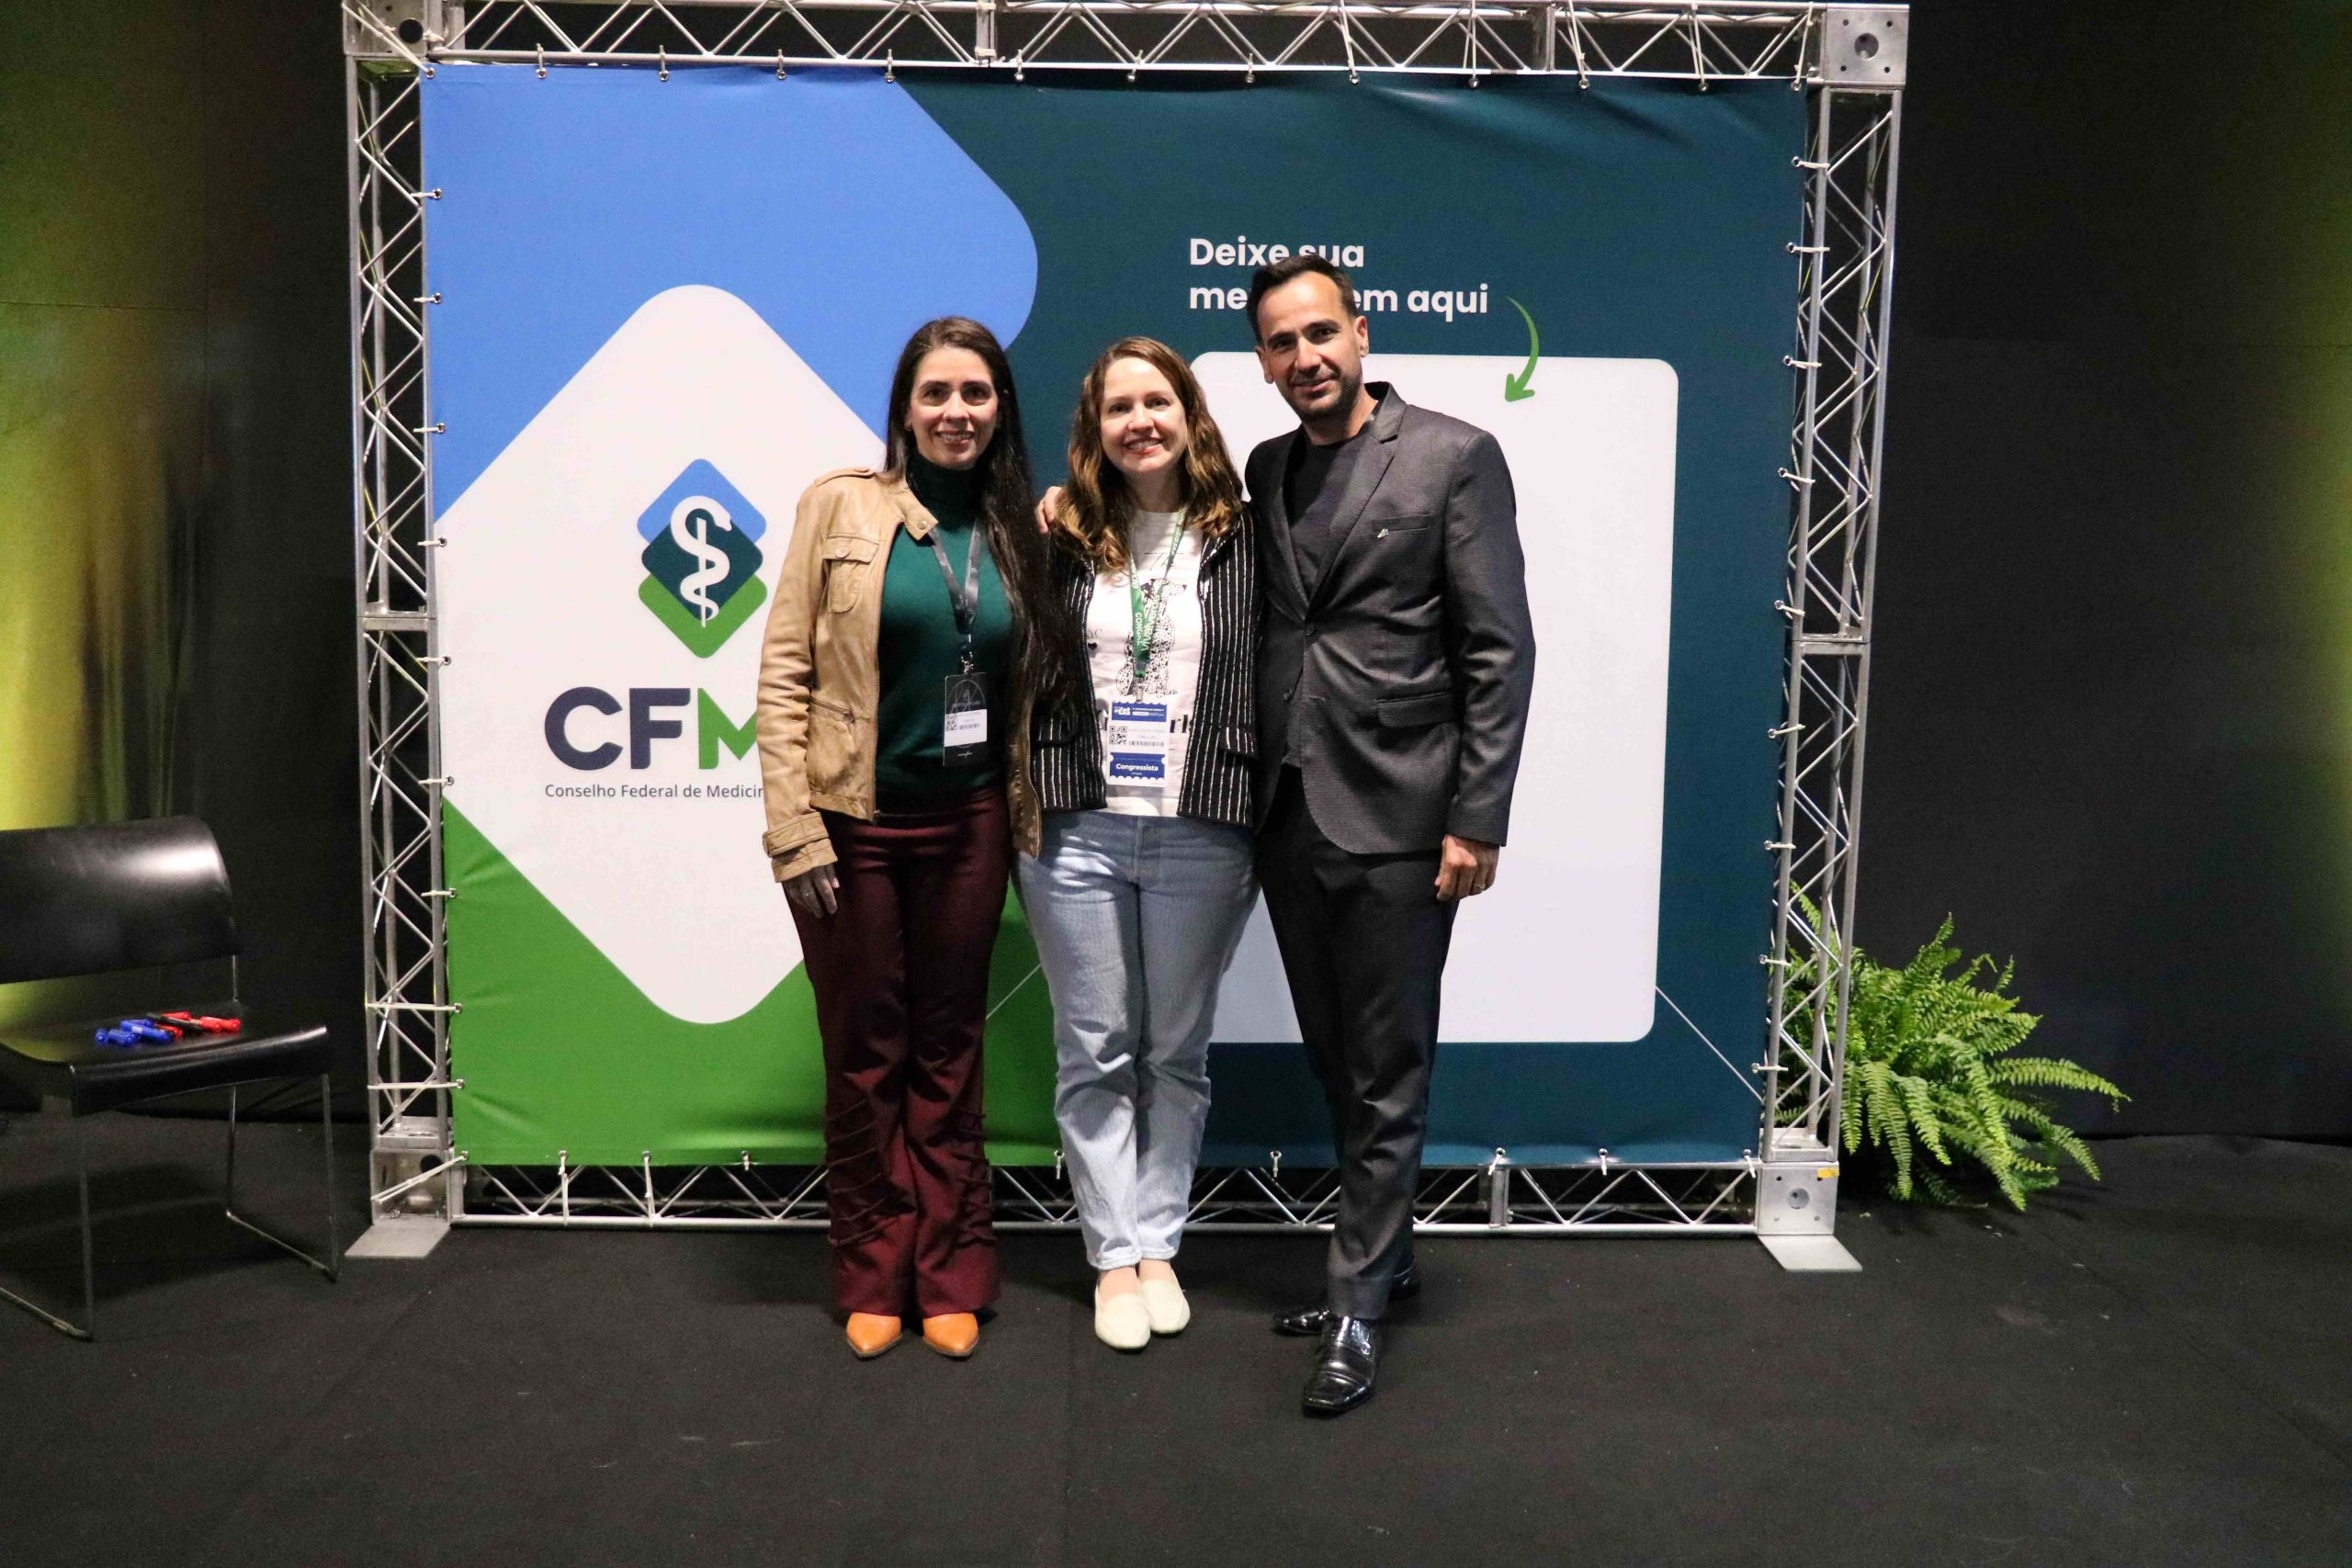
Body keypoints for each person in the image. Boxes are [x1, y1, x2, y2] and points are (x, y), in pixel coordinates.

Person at [1244, 254, 1536, 1416]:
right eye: (1281, 343)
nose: (1305, 357)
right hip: (1285, 813)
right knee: (1337, 1061)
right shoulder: (1267, 468)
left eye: (1321, 333)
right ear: (1263, 361)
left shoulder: (1453, 454)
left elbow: (1496, 650)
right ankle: (1382, 1254)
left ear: (1360, 335)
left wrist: (1477, 815)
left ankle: (1358, 1307)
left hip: (1405, 815)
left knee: (1388, 1069)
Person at [755, 316, 1069, 1361]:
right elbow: (784, 673)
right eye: (936, 393)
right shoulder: (838, 506)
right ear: (904, 407)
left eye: (976, 394)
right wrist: (792, 828)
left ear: (1000, 411)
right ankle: (871, 1269)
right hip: (853, 827)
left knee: (949, 1050)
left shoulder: (1024, 526)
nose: (956, 412)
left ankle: (952, 1270)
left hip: (973, 822)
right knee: (863, 1052)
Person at [1009, 338, 1260, 1352]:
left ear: (1191, 415)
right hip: (1076, 823)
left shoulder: (1247, 535)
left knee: (1174, 1051)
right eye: (1119, 408)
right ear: (1094, 430)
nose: (1139, 421)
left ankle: (1160, 1241)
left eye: (1157, 401)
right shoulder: (1061, 535)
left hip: (1203, 822)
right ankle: (1114, 1257)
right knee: (1095, 1048)